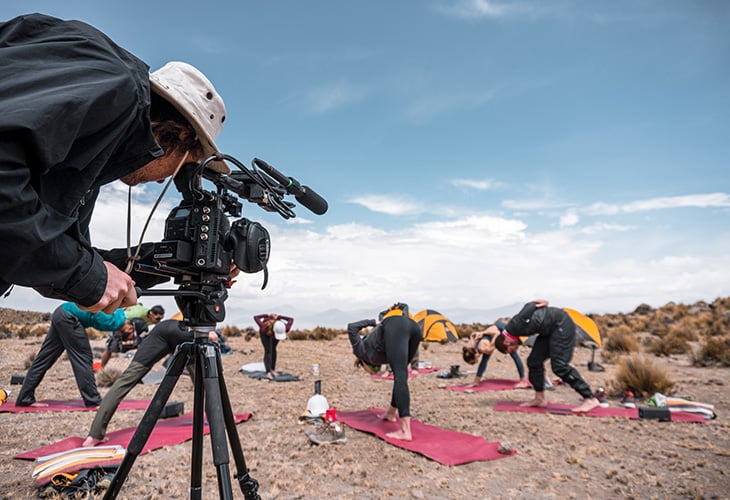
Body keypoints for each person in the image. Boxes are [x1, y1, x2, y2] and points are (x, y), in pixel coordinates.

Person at [0, 13, 229, 314]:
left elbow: (63, 261)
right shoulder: (114, 86)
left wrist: (178, 261)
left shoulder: (94, 158)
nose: (165, 180)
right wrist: (84, 273)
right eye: (180, 166)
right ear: (179, 135)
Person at [82, 319, 218, 447]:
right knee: (203, 380)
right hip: (179, 332)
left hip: (162, 330)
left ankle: (94, 435)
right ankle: (217, 418)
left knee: (124, 381)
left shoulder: (141, 325)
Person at [494, 299, 601, 413]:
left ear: (506, 342)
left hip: (561, 323)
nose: (515, 349)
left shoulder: (514, 327)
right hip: (548, 331)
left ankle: (590, 398)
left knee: (559, 365)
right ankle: (539, 399)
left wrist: (540, 302)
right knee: (533, 361)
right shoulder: (513, 330)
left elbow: (528, 307)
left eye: (511, 350)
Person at [15, 303, 127, 408]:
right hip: (69, 317)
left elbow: (101, 310)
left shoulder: (118, 314)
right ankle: (93, 401)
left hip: (61, 311)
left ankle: (25, 398)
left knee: (44, 359)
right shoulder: (114, 322)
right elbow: (97, 314)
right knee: (83, 358)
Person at [348, 303, 422, 441]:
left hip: (399, 325)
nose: (374, 371)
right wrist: (398, 308)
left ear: (362, 364)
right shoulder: (385, 344)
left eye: (369, 371)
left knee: (400, 376)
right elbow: (394, 316)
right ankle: (391, 413)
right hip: (414, 328)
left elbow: (351, 327)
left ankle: (405, 431)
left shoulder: (360, 350)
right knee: (401, 377)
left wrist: (373, 322)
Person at [462, 322, 529, 388]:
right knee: (488, 357)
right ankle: (476, 381)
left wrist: (484, 334)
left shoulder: (483, 348)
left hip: (501, 329)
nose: (474, 363)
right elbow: (472, 334)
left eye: (473, 362)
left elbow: (497, 333)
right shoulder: (473, 348)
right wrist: (482, 333)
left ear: (475, 356)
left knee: (513, 353)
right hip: (495, 328)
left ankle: (522, 381)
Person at [253, 313, 294, 379]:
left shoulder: (284, 328)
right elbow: (256, 317)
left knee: (273, 349)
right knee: (268, 350)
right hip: (266, 334)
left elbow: (291, 319)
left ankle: (272, 369)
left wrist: (280, 316)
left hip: (275, 332)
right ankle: (268, 372)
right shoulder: (264, 327)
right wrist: (266, 315)